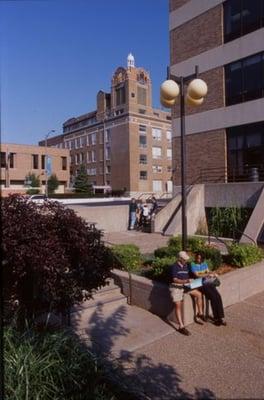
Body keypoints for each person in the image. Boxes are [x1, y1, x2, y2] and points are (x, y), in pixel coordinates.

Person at [170, 251, 204, 336]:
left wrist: (191, 281)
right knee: (178, 305)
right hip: (176, 287)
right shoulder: (174, 266)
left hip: (186, 285)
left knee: (199, 294)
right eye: (184, 259)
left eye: (186, 259)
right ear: (180, 258)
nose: (186, 261)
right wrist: (186, 281)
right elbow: (175, 280)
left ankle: (200, 314)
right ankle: (181, 326)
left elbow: (188, 276)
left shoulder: (185, 266)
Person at [190, 252, 226, 326]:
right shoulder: (193, 264)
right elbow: (197, 275)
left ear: (202, 259)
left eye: (200, 258)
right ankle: (216, 319)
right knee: (213, 297)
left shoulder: (204, 263)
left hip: (207, 282)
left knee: (218, 296)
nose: (198, 259)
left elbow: (208, 271)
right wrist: (207, 274)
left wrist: (213, 274)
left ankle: (220, 318)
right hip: (200, 283)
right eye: (197, 257)